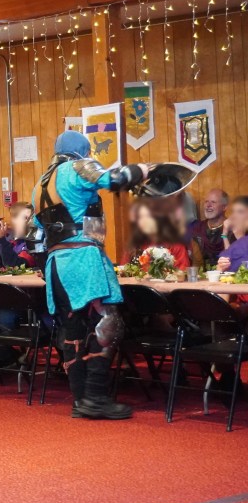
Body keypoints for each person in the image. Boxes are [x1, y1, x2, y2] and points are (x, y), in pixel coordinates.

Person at [33, 130, 160, 420]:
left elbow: (34, 234)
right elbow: (111, 179)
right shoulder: (77, 167)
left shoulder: (40, 182)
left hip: (55, 264)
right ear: (83, 150)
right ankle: (96, 397)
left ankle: (81, 401)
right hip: (81, 258)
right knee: (108, 322)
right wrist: (143, 170)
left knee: (72, 331)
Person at [124, 200, 191, 270]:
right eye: (140, 217)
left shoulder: (176, 245)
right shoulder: (133, 246)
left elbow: (183, 274)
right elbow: (123, 273)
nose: (144, 221)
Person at [0, 202, 36, 268]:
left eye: (32, 218)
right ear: (13, 220)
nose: (31, 221)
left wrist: (2, 240)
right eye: (25, 217)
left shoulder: (33, 244)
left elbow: (15, 266)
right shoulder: (6, 241)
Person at [218, 196, 248, 272]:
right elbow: (229, 257)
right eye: (233, 211)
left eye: (240, 212)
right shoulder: (234, 232)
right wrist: (224, 234)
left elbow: (244, 264)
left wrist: (240, 236)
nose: (233, 216)